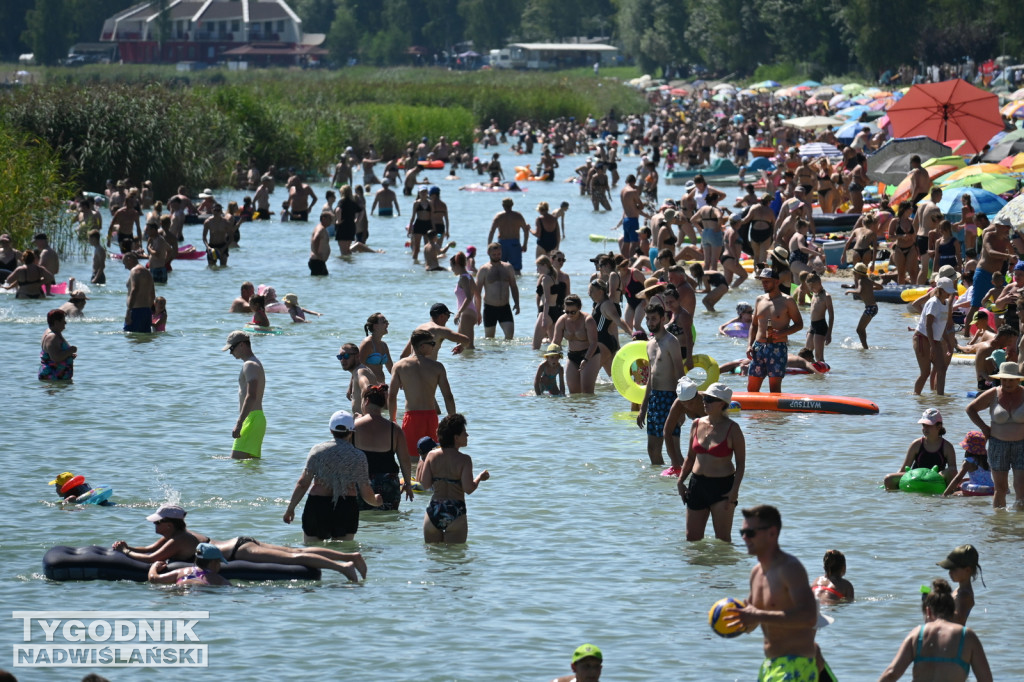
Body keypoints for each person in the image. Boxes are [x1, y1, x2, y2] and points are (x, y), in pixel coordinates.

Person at [115, 504, 367, 581]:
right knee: (294, 551)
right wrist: (128, 547)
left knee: (294, 557)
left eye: (157, 522)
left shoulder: (177, 540)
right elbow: (149, 549)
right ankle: (349, 557)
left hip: (238, 553)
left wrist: (126, 551)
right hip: (241, 541)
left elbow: (151, 558)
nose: (154, 526)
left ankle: (343, 568)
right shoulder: (183, 534)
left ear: (169, 524)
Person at [731, 505, 819, 682]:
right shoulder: (756, 573)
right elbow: (753, 620)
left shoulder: (790, 568)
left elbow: (809, 616)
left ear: (772, 533)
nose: (744, 538)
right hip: (770, 665)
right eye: (742, 532)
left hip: (796, 666)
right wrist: (737, 620)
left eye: (750, 533)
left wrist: (757, 615)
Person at [283, 410, 383, 542]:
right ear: (351, 431)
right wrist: (376, 501)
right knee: (343, 553)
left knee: (312, 552)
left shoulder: (317, 451)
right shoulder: (358, 456)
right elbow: (365, 491)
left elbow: (303, 483)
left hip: (317, 506)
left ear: (331, 430)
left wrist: (290, 509)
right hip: (346, 507)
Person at [878, 578, 992, 682]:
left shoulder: (917, 634)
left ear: (928, 611)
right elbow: (986, 680)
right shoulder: (967, 636)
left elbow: (891, 674)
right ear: (952, 610)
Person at [676, 383, 746, 542]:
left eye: (709, 399)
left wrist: (734, 490)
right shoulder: (696, 424)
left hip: (722, 488)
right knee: (692, 539)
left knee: (722, 541)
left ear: (722, 403)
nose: (704, 402)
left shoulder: (733, 429)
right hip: (697, 485)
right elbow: (690, 457)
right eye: (705, 398)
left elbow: (741, 464)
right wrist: (680, 481)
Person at [417, 413, 489, 543]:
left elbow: (425, 484)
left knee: (433, 557)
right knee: (454, 559)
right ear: (456, 437)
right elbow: (469, 489)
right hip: (455, 511)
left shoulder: (431, 456)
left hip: (434, 509)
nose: (467, 436)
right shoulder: (464, 460)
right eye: (464, 433)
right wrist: (480, 478)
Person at [389, 329, 456, 461]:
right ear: (422, 346)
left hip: (412, 418)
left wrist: (393, 420)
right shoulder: (437, 367)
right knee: (435, 460)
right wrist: (452, 421)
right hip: (431, 418)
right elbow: (448, 396)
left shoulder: (399, 366)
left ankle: (412, 481)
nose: (434, 346)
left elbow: (392, 396)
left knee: (412, 461)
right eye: (432, 343)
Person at [965, 361, 1024, 508]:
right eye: (1004, 379)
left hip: (1022, 445)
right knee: (1000, 489)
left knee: (1021, 489)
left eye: (1011, 379)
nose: (1007, 383)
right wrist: (984, 428)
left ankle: (1018, 526)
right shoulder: (993, 394)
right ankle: (999, 525)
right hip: (998, 445)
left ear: (1018, 379)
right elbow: (970, 409)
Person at [637, 303, 684, 470]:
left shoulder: (672, 341)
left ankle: (687, 479)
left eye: (654, 319)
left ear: (663, 319)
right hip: (655, 399)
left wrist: (681, 407)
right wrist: (643, 407)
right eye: (648, 319)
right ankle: (661, 483)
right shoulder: (650, 344)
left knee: (674, 451)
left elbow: (680, 374)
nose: (650, 322)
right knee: (652, 450)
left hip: (670, 399)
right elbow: (650, 376)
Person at [353, 385, 414, 510]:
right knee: (389, 523)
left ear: (367, 401)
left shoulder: (354, 427)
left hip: (361, 483)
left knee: (363, 523)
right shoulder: (394, 429)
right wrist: (407, 483)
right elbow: (405, 460)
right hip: (389, 483)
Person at [747, 268, 803, 393]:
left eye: (767, 281)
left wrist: (781, 333)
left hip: (777, 348)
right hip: (758, 347)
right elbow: (754, 325)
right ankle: (755, 413)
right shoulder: (759, 299)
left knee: (774, 389)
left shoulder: (787, 301)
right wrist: (749, 345)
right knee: (752, 388)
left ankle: (774, 413)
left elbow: (799, 324)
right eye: (762, 281)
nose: (764, 284)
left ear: (777, 282)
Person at [883, 408, 957, 489]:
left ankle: (949, 496)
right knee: (888, 478)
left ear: (939, 426)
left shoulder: (947, 446)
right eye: (924, 425)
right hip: (915, 478)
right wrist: (894, 481)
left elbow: (953, 471)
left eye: (929, 425)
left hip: (936, 479)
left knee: (952, 470)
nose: (925, 428)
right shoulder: (916, 444)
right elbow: (904, 468)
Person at [223, 331, 266, 459]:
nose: (231, 352)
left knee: (236, 461)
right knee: (248, 467)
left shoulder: (250, 365)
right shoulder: (253, 363)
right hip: (255, 418)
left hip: (251, 419)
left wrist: (239, 422)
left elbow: (251, 395)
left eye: (232, 348)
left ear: (242, 345)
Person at [913, 277, 955, 395]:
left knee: (942, 369)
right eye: (947, 291)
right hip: (922, 338)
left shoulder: (945, 304)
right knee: (925, 373)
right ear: (940, 289)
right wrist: (932, 346)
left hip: (934, 340)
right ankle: (916, 397)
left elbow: (942, 327)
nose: (949, 293)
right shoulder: (933, 303)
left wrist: (949, 344)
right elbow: (928, 325)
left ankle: (940, 397)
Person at [552, 294, 600, 394]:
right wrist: (550, 358)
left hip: (590, 355)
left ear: (579, 308)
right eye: (567, 311)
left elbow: (594, 343)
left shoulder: (588, 320)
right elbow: (555, 342)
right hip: (572, 356)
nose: (569, 315)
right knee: (574, 394)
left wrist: (585, 359)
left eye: (573, 312)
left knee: (587, 392)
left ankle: (591, 409)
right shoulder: (562, 320)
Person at [475, 242, 520, 339]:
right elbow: (477, 292)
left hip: (505, 308)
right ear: (488, 253)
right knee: (490, 339)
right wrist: (477, 312)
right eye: (494, 254)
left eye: (499, 254)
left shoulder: (508, 267)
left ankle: (507, 354)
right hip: (490, 308)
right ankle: (493, 355)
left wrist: (517, 303)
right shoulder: (484, 270)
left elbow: (513, 286)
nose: (497, 256)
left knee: (509, 337)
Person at [401, 303, 469, 358]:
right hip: (429, 370)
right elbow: (466, 340)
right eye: (448, 315)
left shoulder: (419, 329)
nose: (448, 319)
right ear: (441, 316)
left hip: (414, 369)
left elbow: (403, 356)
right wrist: (462, 346)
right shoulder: (439, 330)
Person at [936, 544, 982, 625]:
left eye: (953, 569)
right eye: (949, 569)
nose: (950, 572)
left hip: (956, 636)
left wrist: (938, 609)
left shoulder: (965, 595)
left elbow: (959, 620)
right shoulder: (959, 590)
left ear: (967, 570)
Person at [147, 543, 232, 586]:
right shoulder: (218, 579)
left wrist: (154, 566)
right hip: (200, 590)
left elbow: (153, 578)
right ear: (214, 563)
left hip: (181, 587)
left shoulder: (182, 571)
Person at [841, 263, 883, 349]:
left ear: (859, 274)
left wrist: (849, 291)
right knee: (861, 329)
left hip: (871, 308)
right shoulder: (868, 280)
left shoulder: (861, 281)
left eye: (854, 273)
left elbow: (859, 291)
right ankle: (865, 347)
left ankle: (865, 347)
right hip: (873, 307)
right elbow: (880, 287)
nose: (854, 275)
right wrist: (870, 288)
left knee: (859, 330)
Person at [943, 431, 995, 497]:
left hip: (978, 490)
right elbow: (982, 477)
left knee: (954, 494)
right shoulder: (987, 459)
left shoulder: (968, 461)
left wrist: (945, 494)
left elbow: (957, 479)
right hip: (990, 489)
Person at [487, 197, 530, 275]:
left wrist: (489, 247)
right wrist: (525, 244)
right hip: (515, 243)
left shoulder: (498, 216)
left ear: (503, 205)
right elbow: (525, 231)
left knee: (500, 268)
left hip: (502, 244)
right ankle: (518, 285)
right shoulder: (518, 216)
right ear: (512, 205)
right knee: (516, 270)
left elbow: (491, 232)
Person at [337, 342, 375, 415]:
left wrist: (364, 415)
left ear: (357, 356)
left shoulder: (360, 372)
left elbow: (367, 389)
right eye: (340, 357)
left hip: (365, 422)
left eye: (346, 356)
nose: (342, 360)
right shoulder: (357, 371)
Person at [39, 309, 76, 381]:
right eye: (63, 320)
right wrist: (70, 351)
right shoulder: (52, 336)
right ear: (56, 322)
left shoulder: (54, 332)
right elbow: (56, 358)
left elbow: (54, 353)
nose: (65, 323)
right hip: (53, 377)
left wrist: (69, 355)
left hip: (56, 378)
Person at [450, 252, 478, 349]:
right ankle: (463, 364)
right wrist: (478, 313)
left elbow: (469, 297)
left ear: (457, 265)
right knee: (460, 345)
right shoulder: (469, 276)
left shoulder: (464, 278)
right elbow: (477, 295)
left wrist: (458, 313)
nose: (452, 269)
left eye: (452, 266)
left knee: (469, 347)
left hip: (467, 314)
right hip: (470, 312)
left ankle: (473, 363)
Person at [122, 253, 155, 333]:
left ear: (129, 260)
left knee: (131, 338)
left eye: (125, 263)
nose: (125, 267)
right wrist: (150, 311)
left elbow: (134, 290)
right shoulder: (147, 272)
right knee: (145, 341)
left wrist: (129, 311)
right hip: (147, 311)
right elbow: (152, 293)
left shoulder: (135, 271)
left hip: (136, 311)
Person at [360, 312, 394, 383]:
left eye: (387, 322)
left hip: (381, 386)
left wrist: (400, 380)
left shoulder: (384, 345)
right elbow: (357, 367)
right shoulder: (367, 343)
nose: (387, 324)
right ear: (375, 326)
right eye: (384, 322)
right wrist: (351, 388)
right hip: (368, 386)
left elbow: (391, 368)